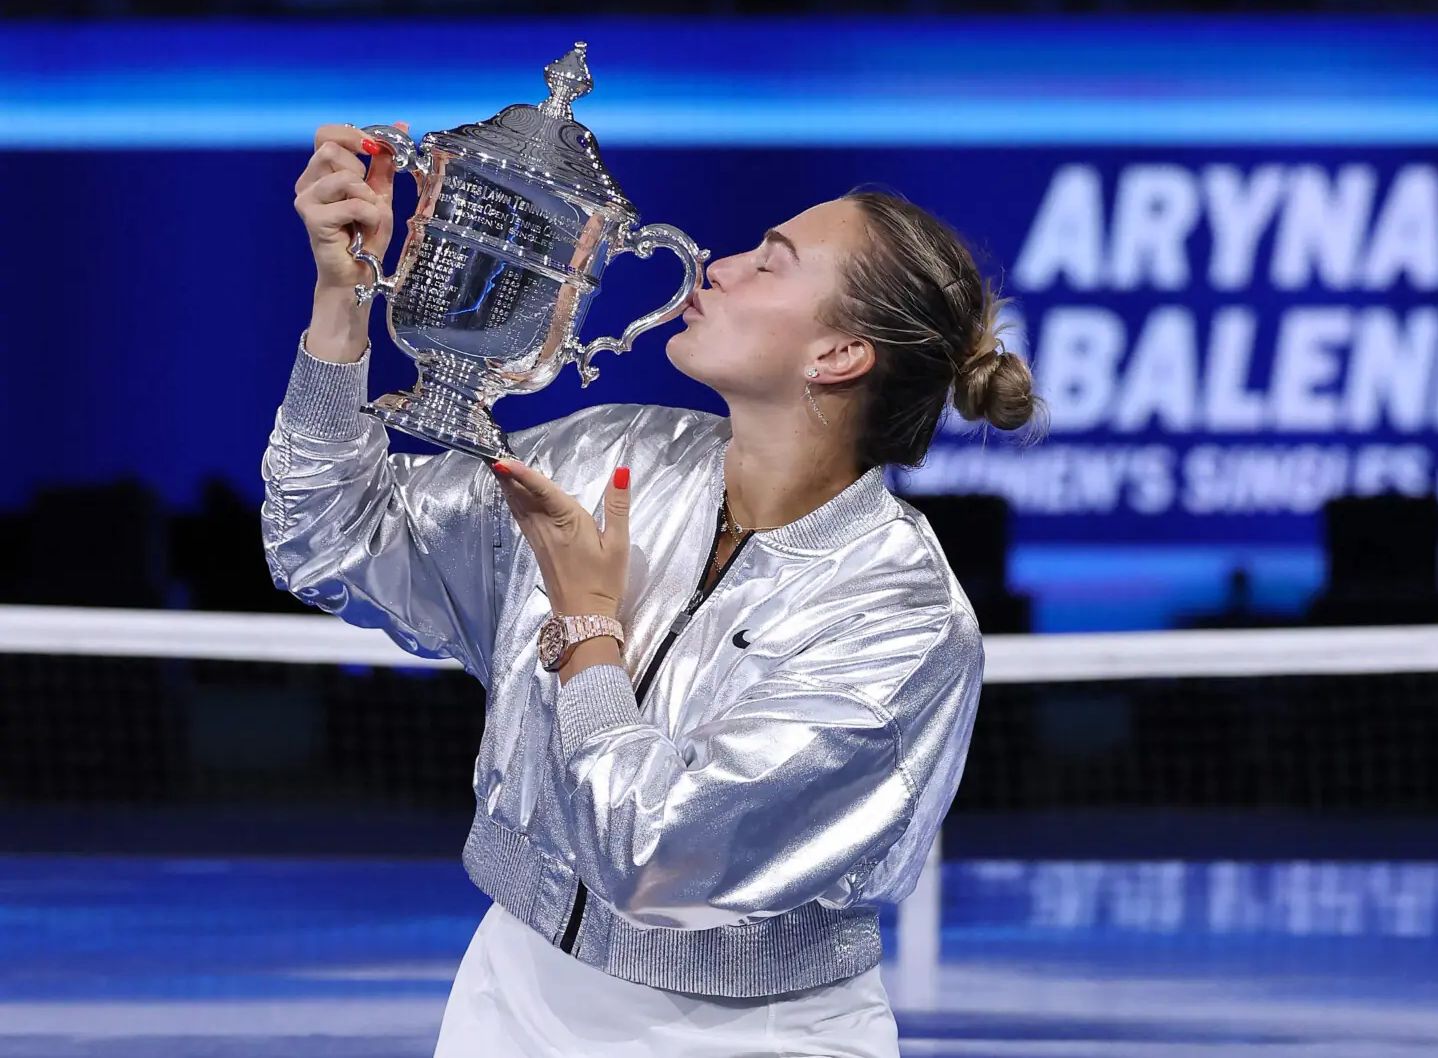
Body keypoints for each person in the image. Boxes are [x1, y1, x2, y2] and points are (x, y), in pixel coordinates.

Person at [264, 124, 1038, 1057]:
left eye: (772, 263)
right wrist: (342, 304)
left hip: (756, 1036)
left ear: (837, 356)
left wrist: (589, 629)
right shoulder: (610, 454)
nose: (723, 263)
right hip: (510, 998)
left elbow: (654, 857)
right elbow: (327, 537)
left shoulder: (901, 618)